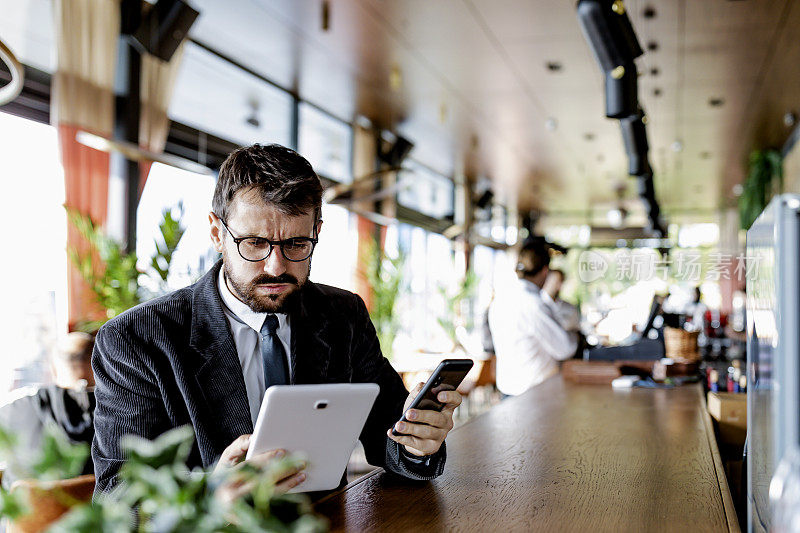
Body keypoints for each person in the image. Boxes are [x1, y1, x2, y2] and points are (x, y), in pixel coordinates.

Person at [91, 144, 461, 495]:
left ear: (316, 232)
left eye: (296, 245)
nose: (276, 267)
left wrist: (418, 444)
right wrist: (210, 498)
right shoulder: (136, 339)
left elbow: (389, 435)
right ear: (217, 233)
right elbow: (117, 494)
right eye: (254, 243)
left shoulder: (342, 315)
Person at [0, 332, 96, 488]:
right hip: (98, 511)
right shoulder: (119, 411)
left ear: (54, 368)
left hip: (28, 510)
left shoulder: (13, 411)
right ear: (100, 364)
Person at [488, 239, 577, 396]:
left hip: (508, 389)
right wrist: (574, 335)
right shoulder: (533, 303)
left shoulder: (501, 298)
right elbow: (564, 349)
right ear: (544, 271)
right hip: (532, 394)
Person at [541, 269, 581, 334]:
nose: (558, 285)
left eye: (561, 281)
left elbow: (576, 331)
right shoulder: (537, 304)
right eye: (555, 281)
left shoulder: (570, 308)